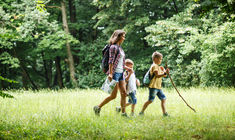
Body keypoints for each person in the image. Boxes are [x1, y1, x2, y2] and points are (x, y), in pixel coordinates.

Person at [93, 30, 132, 117]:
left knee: (124, 93)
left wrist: (127, 68)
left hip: (121, 73)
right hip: (114, 73)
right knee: (113, 96)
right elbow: (111, 61)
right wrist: (110, 73)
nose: (124, 38)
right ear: (118, 37)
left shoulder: (120, 48)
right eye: (123, 36)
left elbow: (120, 62)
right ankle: (98, 107)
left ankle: (123, 113)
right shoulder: (113, 47)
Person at [139, 51, 170, 117]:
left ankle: (165, 113)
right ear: (155, 59)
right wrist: (164, 73)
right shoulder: (154, 66)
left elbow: (164, 75)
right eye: (160, 59)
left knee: (163, 99)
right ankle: (141, 112)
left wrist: (165, 71)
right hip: (153, 87)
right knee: (150, 100)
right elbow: (157, 75)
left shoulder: (158, 67)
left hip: (158, 87)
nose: (161, 60)